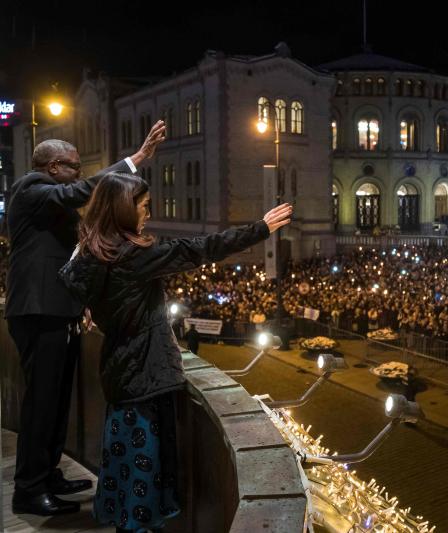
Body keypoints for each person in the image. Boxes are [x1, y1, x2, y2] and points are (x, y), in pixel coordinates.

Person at [58, 171, 292, 532]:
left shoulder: (91, 254)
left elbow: (71, 285)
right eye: (144, 207)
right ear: (123, 210)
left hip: (120, 375)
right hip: (146, 377)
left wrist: (88, 312)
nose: (148, 214)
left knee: (126, 471)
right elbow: (196, 249)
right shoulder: (132, 257)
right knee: (145, 474)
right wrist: (259, 229)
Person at [5, 121, 166, 516]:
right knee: (41, 403)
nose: (79, 173)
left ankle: (48, 474)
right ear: (54, 167)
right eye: (74, 166)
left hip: (58, 311)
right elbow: (80, 191)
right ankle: (28, 489)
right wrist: (136, 160)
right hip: (38, 311)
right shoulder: (30, 187)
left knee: (57, 401)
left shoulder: (49, 199)